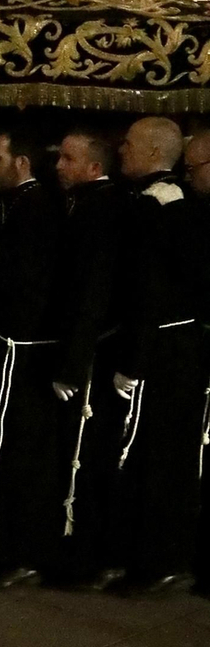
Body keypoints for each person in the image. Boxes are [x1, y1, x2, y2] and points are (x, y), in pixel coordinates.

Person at [0, 124, 62, 586]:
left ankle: (10, 553)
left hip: (21, 344)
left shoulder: (36, 209)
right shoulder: (27, 204)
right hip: (25, 341)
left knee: (7, 446)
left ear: (22, 163)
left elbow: (14, 278)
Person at [110, 115, 202, 593]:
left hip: (159, 349)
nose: (119, 150)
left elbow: (147, 291)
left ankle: (155, 561)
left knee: (152, 455)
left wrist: (132, 360)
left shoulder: (153, 209)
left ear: (149, 153)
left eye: (127, 144)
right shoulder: (178, 204)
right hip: (178, 345)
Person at [45, 127, 121, 586]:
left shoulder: (99, 212)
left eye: (69, 159)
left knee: (83, 459)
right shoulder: (91, 206)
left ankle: (84, 560)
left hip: (90, 354)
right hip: (89, 346)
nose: (59, 166)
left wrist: (72, 363)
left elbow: (91, 292)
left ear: (94, 167)